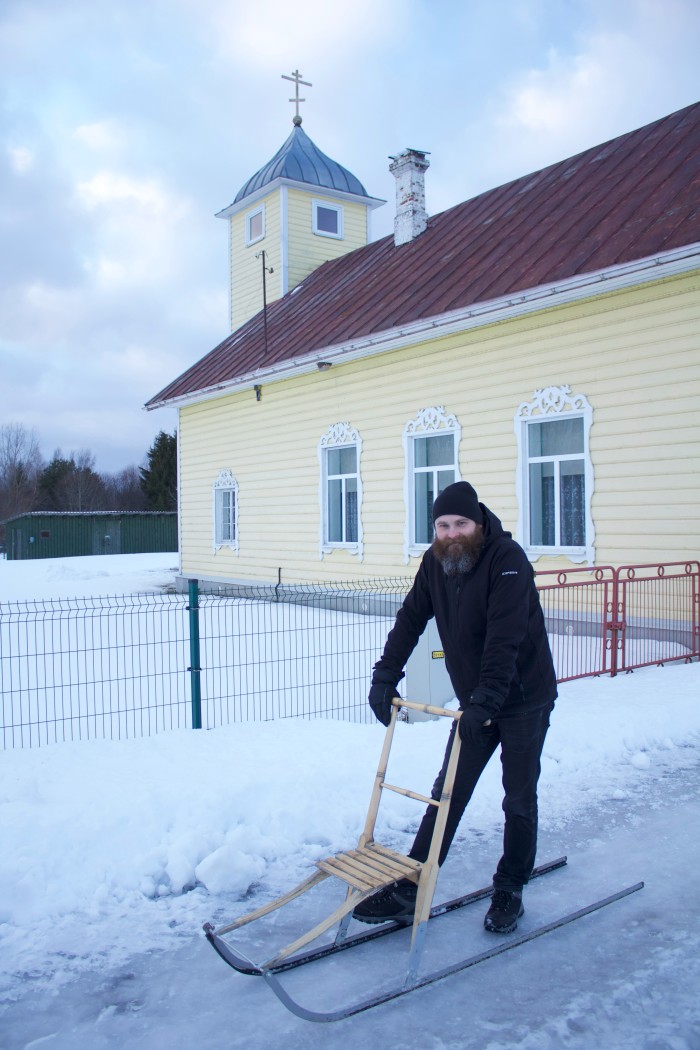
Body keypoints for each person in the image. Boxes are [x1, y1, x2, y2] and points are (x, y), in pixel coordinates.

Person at [353, 481, 557, 934]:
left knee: (518, 798)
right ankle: (412, 885)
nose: (451, 533)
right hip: (477, 702)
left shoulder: (508, 561)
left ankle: (511, 886)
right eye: (442, 525)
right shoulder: (436, 563)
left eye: (460, 523)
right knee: (446, 793)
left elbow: (505, 638)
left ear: (478, 523)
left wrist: (485, 701)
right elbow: (410, 619)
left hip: (523, 700)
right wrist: (385, 675)